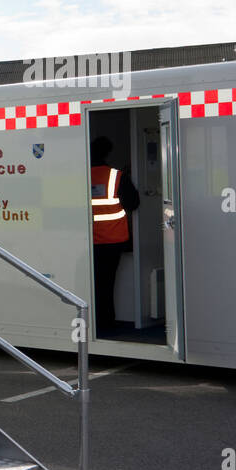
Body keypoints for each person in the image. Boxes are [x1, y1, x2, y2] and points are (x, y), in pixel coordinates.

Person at [90, 136, 140, 335]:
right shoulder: (117, 176)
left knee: (92, 282)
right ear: (107, 152)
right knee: (106, 282)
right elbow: (133, 204)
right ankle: (106, 322)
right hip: (113, 239)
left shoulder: (80, 175)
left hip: (89, 239)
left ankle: (92, 320)